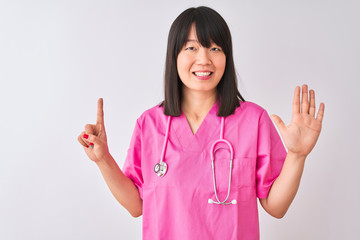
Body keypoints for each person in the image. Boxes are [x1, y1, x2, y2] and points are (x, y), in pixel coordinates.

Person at [77, 6, 325, 240]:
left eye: (215, 48)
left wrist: (297, 155)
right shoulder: (149, 124)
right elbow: (136, 206)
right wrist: (103, 160)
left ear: (227, 56)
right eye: (191, 48)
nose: (204, 59)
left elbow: (276, 206)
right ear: (174, 55)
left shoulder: (254, 121)